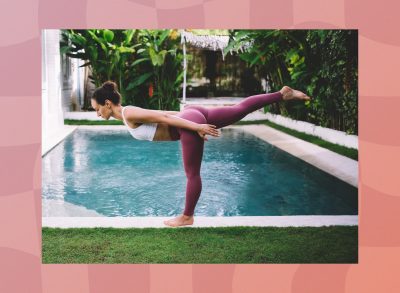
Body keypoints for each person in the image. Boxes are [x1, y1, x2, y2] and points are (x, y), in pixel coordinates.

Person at [91, 81, 311, 227]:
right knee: (240, 109)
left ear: (107, 103)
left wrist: (195, 127)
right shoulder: (130, 113)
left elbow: (166, 120)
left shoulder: (129, 113)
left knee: (192, 174)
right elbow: (164, 113)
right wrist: (190, 116)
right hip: (192, 115)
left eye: (96, 108)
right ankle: (281, 95)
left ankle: (187, 216)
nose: (97, 113)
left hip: (189, 123)